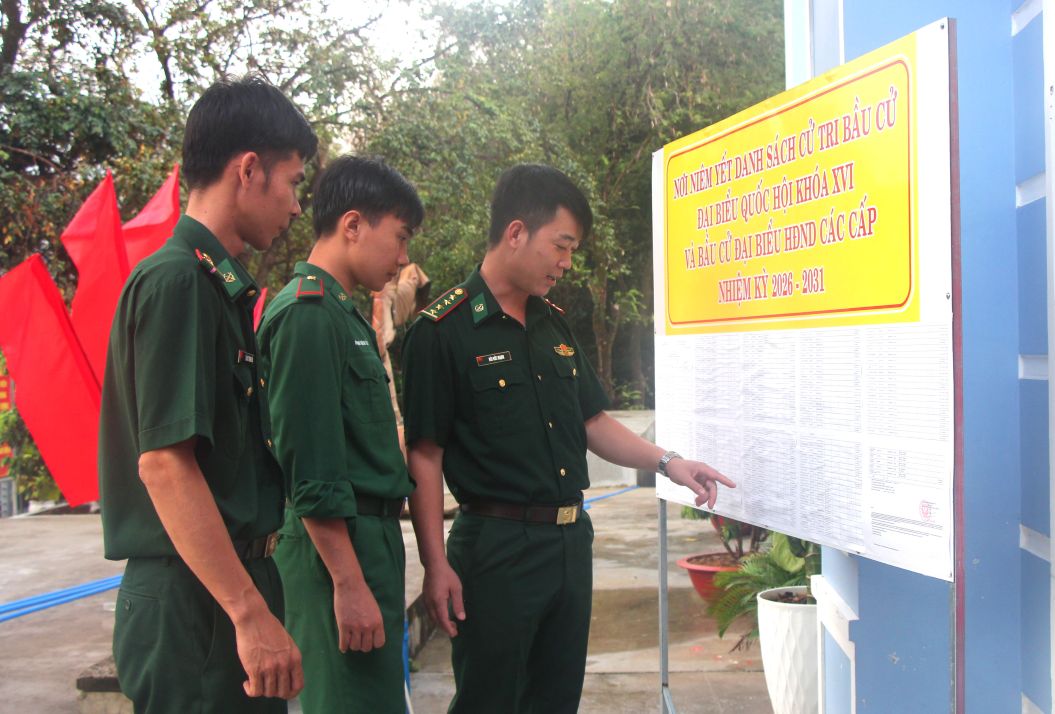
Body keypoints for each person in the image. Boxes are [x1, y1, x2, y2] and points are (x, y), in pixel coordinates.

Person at [401, 163, 736, 713]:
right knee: (490, 701)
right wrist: (436, 565)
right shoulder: (443, 332)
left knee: (555, 701)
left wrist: (669, 462)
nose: (566, 262)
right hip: (495, 550)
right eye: (561, 245)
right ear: (515, 233)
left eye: (573, 250)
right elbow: (425, 456)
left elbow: (592, 422)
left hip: (568, 542)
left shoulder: (552, 324)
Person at [98, 76, 317, 713]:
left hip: (220, 585)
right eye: (294, 181)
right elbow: (165, 464)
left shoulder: (214, 288)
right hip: (196, 600)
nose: (298, 205)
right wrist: (248, 614)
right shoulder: (179, 284)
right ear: (249, 170)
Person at [257, 156, 424, 713]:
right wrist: (349, 586)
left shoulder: (340, 313)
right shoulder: (307, 316)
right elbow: (310, 469)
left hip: (365, 543)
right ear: (352, 225)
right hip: (336, 553)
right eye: (399, 238)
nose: (403, 259)